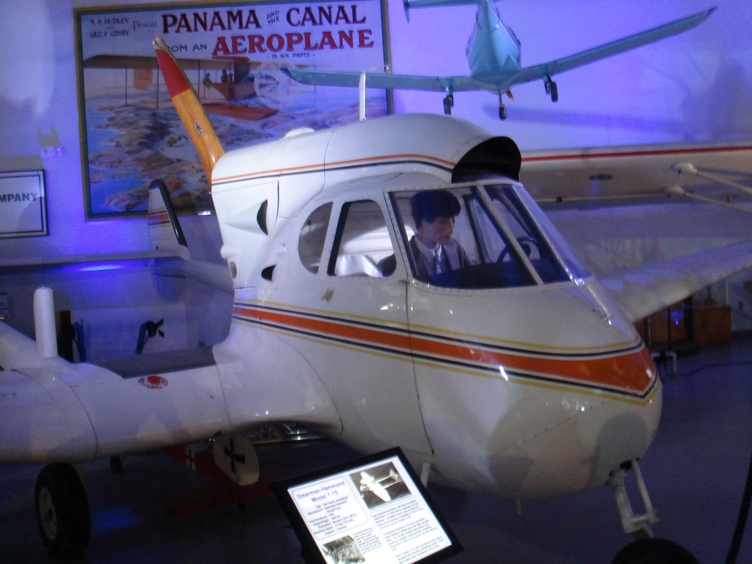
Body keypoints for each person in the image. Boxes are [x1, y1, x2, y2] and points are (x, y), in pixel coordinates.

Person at [380, 190, 470, 281]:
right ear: (422, 221)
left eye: (454, 222)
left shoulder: (456, 249)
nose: (451, 229)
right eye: (442, 222)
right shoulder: (395, 264)